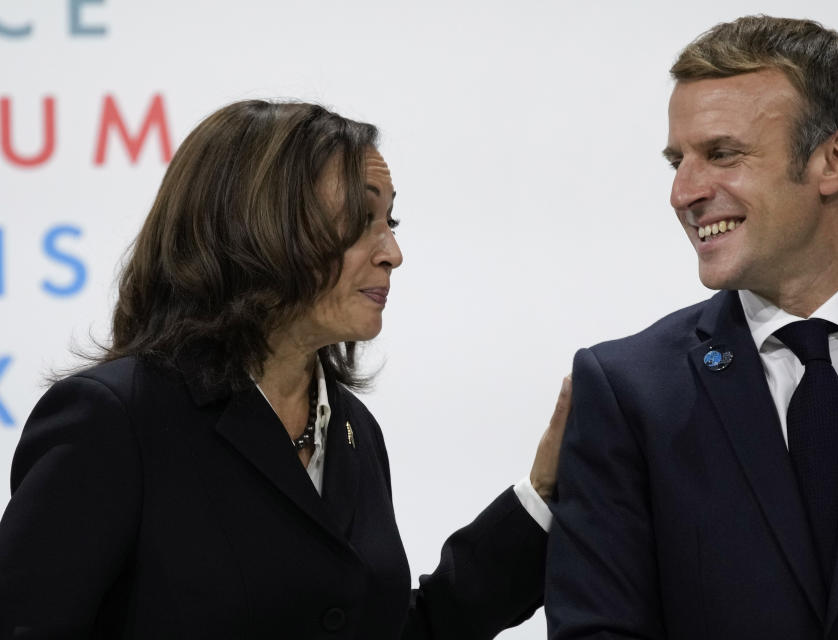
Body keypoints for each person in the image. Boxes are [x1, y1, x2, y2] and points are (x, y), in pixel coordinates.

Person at [0, 100, 570, 639]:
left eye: (390, 220)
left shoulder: (353, 430)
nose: (392, 251)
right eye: (360, 218)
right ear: (251, 229)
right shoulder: (114, 420)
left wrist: (540, 495)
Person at [546, 15, 838, 640]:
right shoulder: (628, 391)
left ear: (835, 160)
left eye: (722, 154)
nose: (683, 192)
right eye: (676, 161)